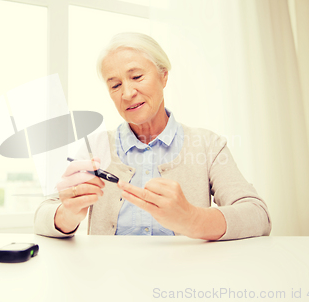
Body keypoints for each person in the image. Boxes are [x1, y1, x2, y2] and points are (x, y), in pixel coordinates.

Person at [34, 32, 271, 240]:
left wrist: (191, 218)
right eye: (115, 85)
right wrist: (68, 214)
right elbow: (43, 213)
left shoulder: (208, 145)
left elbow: (258, 215)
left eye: (137, 77)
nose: (127, 93)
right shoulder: (95, 147)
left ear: (163, 76)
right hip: (110, 281)